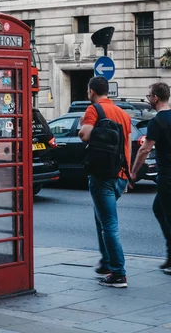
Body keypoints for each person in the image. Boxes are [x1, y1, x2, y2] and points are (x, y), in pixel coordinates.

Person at [79, 76, 131, 288]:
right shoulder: (123, 113)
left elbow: (84, 136)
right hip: (119, 175)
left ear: (91, 91)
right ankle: (107, 262)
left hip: (102, 175)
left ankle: (118, 273)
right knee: (101, 218)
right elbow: (127, 146)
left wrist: (82, 127)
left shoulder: (94, 110)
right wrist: (127, 177)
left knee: (109, 224)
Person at [130, 82, 171, 272]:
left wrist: (134, 171)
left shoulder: (157, 121)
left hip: (167, 176)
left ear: (155, 97)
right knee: (158, 208)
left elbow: (145, 149)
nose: (148, 99)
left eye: (149, 96)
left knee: (167, 215)